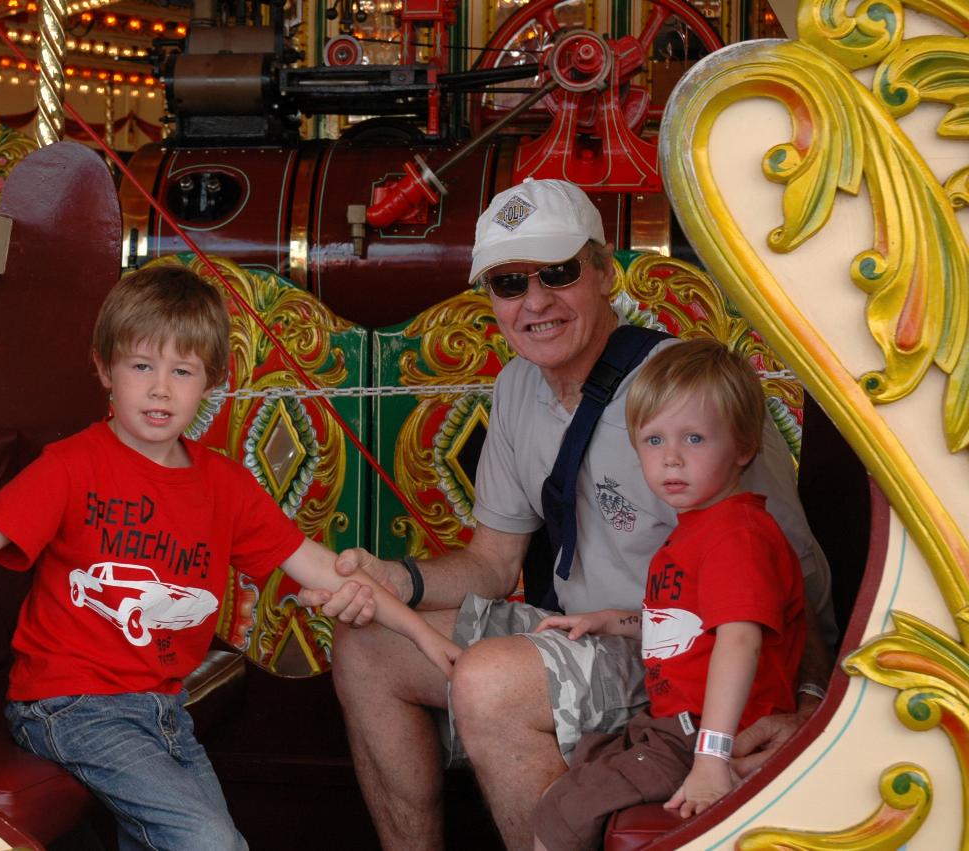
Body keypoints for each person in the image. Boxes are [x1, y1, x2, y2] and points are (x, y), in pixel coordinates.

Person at [0, 264, 461, 850]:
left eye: (184, 372)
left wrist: (425, 639)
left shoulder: (223, 485)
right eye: (141, 365)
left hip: (164, 712)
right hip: (68, 705)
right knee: (208, 842)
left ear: (213, 382)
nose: (161, 389)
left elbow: (326, 569)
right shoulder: (71, 467)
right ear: (105, 369)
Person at [300, 178, 836, 850]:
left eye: (558, 273)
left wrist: (812, 702)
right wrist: (391, 578)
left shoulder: (685, 395)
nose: (536, 301)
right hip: (588, 630)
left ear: (604, 273)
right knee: (368, 647)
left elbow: (791, 568)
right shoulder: (516, 387)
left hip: (682, 657)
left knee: (491, 681)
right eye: (509, 283)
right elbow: (492, 565)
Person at [531, 338, 806, 850]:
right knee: (586, 766)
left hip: (702, 732)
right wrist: (611, 620)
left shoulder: (736, 535)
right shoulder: (695, 531)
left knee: (559, 816)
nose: (671, 459)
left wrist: (712, 757)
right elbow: (688, 623)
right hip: (674, 727)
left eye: (695, 439)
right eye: (653, 441)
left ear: (744, 446)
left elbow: (739, 641)